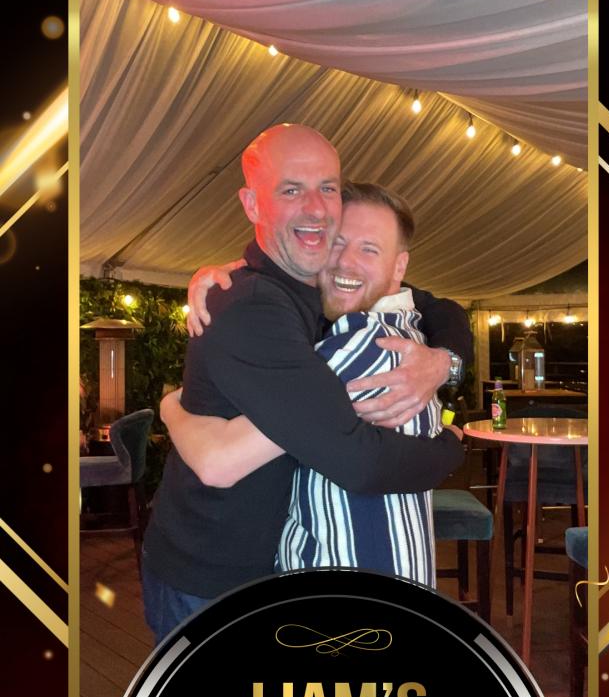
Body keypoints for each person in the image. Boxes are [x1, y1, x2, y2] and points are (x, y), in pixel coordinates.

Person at [141, 123, 469, 642]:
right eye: (292, 190)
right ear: (253, 205)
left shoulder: (315, 291)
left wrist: (445, 361)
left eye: (327, 188)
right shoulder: (256, 307)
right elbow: (352, 460)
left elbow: (438, 305)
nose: (315, 209)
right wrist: (452, 445)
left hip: (261, 569)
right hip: (211, 577)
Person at [163, 182, 450, 589]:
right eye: (337, 243)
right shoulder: (405, 332)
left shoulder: (358, 350)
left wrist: (168, 406)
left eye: (369, 249)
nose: (346, 262)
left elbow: (217, 462)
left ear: (399, 267)